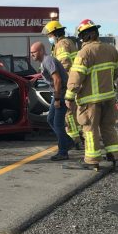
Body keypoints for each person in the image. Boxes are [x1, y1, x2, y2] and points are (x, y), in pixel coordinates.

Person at [64, 19, 118, 170]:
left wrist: (69, 96)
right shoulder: (111, 49)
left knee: (90, 130)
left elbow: (76, 77)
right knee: (108, 127)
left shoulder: (85, 52)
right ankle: (115, 156)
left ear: (85, 36)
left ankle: (92, 161)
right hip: (109, 98)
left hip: (90, 101)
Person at [30, 41, 74, 160]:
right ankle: (68, 142)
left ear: (40, 51)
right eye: (31, 52)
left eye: (33, 52)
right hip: (58, 93)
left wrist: (58, 99)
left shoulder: (48, 60)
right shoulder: (45, 62)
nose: (31, 55)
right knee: (50, 119)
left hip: (62, 94)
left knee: (58, 124)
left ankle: (63, 152)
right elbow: (50, 76)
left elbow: (57, 80)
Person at [42, 20, 82, 148]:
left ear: (55, 33)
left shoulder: (61, 45)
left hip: (68, 83)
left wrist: (58, 81)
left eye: (50, 35)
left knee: (68, 113)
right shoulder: (69, 42)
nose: (49, 38)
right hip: (75, 81)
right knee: (73, 112)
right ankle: (77, 137)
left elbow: (63, 65)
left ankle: (73, 139)